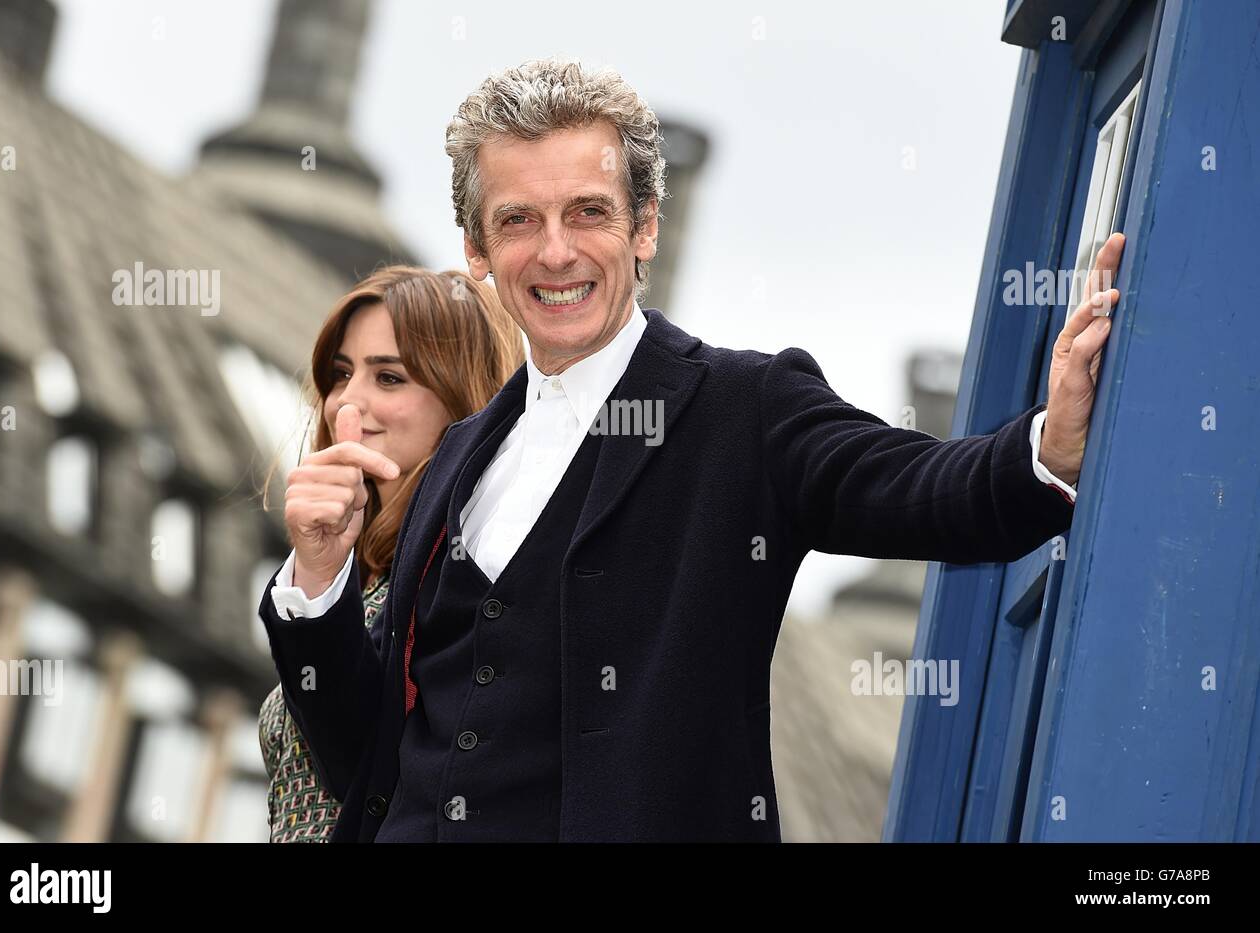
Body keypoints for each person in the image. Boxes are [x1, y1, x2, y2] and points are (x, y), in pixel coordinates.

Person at [259, 59, 1125, 842]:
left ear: (645, 229)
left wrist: (1048, 443)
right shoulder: (457, 456)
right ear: (478, 252)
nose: (555, 250)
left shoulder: (743, 407)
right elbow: (361, 761)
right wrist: (318, 583)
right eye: (518, 219)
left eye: (588, 212)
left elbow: (916, 485)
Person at [257, 266, 523, 842]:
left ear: (463, 401)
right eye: (341, 374)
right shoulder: (365, 574)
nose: (346, 403)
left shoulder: (482, 578)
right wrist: (322, 570)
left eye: (390, 378)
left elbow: (369, 764)